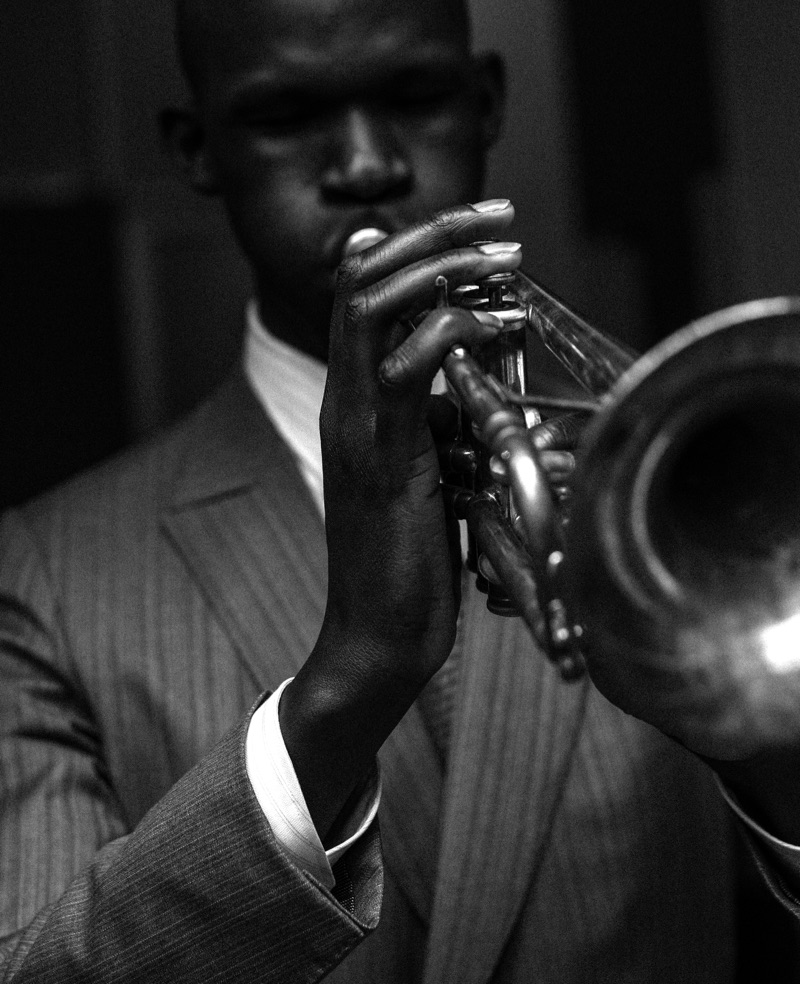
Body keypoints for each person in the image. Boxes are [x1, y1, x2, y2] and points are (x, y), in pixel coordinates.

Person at [1, 0, 799, 980]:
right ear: (195, 147)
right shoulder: (36, 577)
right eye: (289, 114)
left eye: (415, 97)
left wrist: (761, 752)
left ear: (486, 103)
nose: (367, 164)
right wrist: (349, 678)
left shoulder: (677, 489)